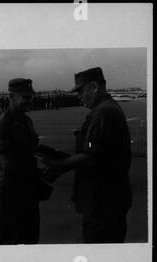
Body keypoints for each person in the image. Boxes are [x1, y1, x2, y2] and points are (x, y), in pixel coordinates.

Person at [40, 67, 132, 243]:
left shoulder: (104, 112)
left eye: (81, 91)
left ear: (95, 87)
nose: (79, 96)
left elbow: (91, 155)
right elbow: (94, 150)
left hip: (103, 203)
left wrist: (59, 164)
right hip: (106, 200)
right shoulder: (103, 110)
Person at [0, 78, 42, 244]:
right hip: (10, 193)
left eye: (30, 97)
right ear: (11, 97)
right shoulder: (3, 124)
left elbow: (33, 149)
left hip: (28, 191)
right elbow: (9, 164)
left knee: (30, 240)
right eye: (25, 97)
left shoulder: (26, 121)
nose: (29, 101)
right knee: (10, 242)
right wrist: (40, 172)